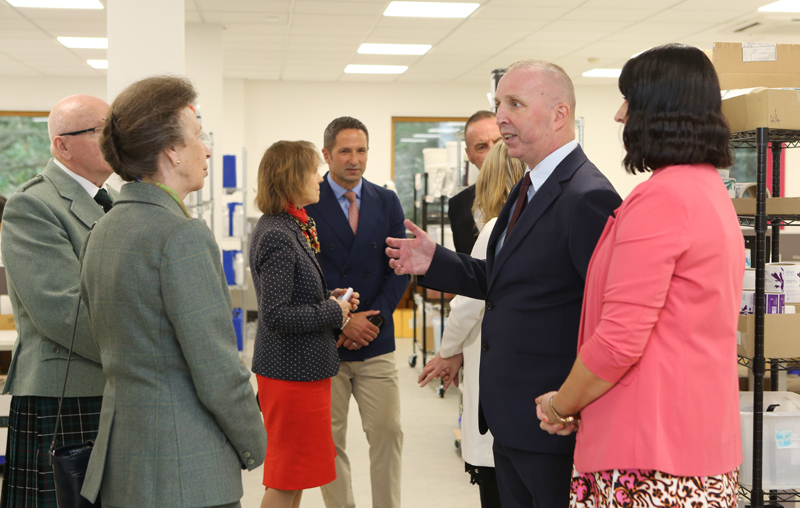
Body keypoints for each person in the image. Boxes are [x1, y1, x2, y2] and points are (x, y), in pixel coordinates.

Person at [385, 60, 622, 508]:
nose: (501, 118)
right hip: (511, 415)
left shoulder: (587, 195)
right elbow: (504, 281)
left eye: (515, 104)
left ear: (559, 114)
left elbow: (608, 316)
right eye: (498, 105)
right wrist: (435, 260)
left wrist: (573, 402)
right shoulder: (528, 186)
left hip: (552, 417)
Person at [534, 44, 742, 508]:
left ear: (658, 110)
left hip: (648, 454)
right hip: (694, 441)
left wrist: (560, 404)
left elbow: (618, 341)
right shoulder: (707, 189)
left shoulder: (663, 200)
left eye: (629, 99)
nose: (619, 114)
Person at [78, 76, 266, 508]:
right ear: (172, 150)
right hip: (185, 468)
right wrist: (256, 439)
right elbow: (217, 368)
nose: (208, 150)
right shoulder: (180, 236)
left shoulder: (103, 229)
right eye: (198, 137)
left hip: (123, 463)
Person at [0, 94, 115, 508]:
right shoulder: (33, 204)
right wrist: (142, 352)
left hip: (110, 385)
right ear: (62, 145)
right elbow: (62, 311)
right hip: (64, 391)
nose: (113, 140)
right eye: (101, 131)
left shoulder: (114, 201)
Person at [305, 116, 409, 508]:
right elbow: (305, 272)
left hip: (375, 340)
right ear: (327, 153)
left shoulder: (387, 201)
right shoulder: (309, 199)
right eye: (345, 151)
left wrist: (373, 318)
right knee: (329, 441)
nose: (354, 159)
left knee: (388, 433)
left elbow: (399, 269)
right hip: (326, 340)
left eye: (361, 150)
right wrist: (344, 320)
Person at [250, 139, 359, 508]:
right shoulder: (278, 234)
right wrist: (336, 313)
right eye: (313, 170)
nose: (319, 177)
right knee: (286, 478)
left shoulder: (289, 225)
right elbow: (276, 315)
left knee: (294, 476)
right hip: (290, 374)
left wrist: (329, 298)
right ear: (291, 176)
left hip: (300, 371)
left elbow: (292, 296)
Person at [420, 141, 525, 508]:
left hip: (494, 372)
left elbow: (468, 305)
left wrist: (446, 353)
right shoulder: (531, 225)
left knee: (496, 479)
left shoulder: (496, 229)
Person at [448, 110, 502, 254]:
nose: (493, 152)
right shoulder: (458, 206)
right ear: (469, 155)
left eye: (499, 142)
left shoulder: (532, 193)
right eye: (482, 147)